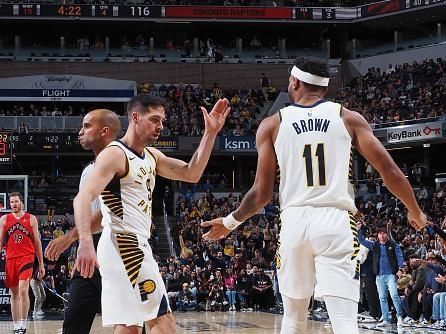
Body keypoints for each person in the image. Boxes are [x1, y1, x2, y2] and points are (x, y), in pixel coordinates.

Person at [201, 56, 427, 334]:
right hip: (335, 220)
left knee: (293, 319)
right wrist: (414, 210)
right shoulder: (348, 118)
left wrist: (230, 221)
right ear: (324, 87)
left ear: (295, 82)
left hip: (294, 221)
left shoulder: (272, 124)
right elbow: (390, 172)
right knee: (344, 321)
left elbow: (261, 194)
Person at [74, 94, 230, 334]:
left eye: (163, 121)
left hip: (126, 245)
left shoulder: (152, 156)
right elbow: (83, 198)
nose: (160, 126)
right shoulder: (115, 154)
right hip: (126, 244)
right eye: (154, 119)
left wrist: (210, 134)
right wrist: (85, 242)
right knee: (162, 321)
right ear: (135, 117)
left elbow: (191, 173)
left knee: (129, 326)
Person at [45, 109, 121, 334]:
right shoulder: (90, 170)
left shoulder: (121, 164)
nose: (80, 131)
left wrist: (70, 237)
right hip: (90, 248)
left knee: (129, 323)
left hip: (118, 248)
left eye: (87, 126)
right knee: (74, 321)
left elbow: (105, 214)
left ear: (105, 131)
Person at [0, 192, 45, 334]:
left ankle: (23, 325)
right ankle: (16, 325)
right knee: (14, 294)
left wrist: (41, 264)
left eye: (16, 201)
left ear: (22, 203)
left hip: (27, 257)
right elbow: (0, 241)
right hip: (11, 259)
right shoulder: (4, 219)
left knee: (23, 289)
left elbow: (37, 242)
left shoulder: (31, 219)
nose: (14, 204)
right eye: (11, 202)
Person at [357, 227, 404, 327]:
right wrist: (358, 230)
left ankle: (400, 316)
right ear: (377, 235)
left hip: (391, 274)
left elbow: (399, 256)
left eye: (384, 233)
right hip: (379, 276)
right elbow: (361, 240)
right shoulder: (374, 245)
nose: (382, 236)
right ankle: (386, 319)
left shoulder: (393, 244)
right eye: (380, 234)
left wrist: (400, 268)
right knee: (382, 298)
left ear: (387, 234)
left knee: (394, 295)